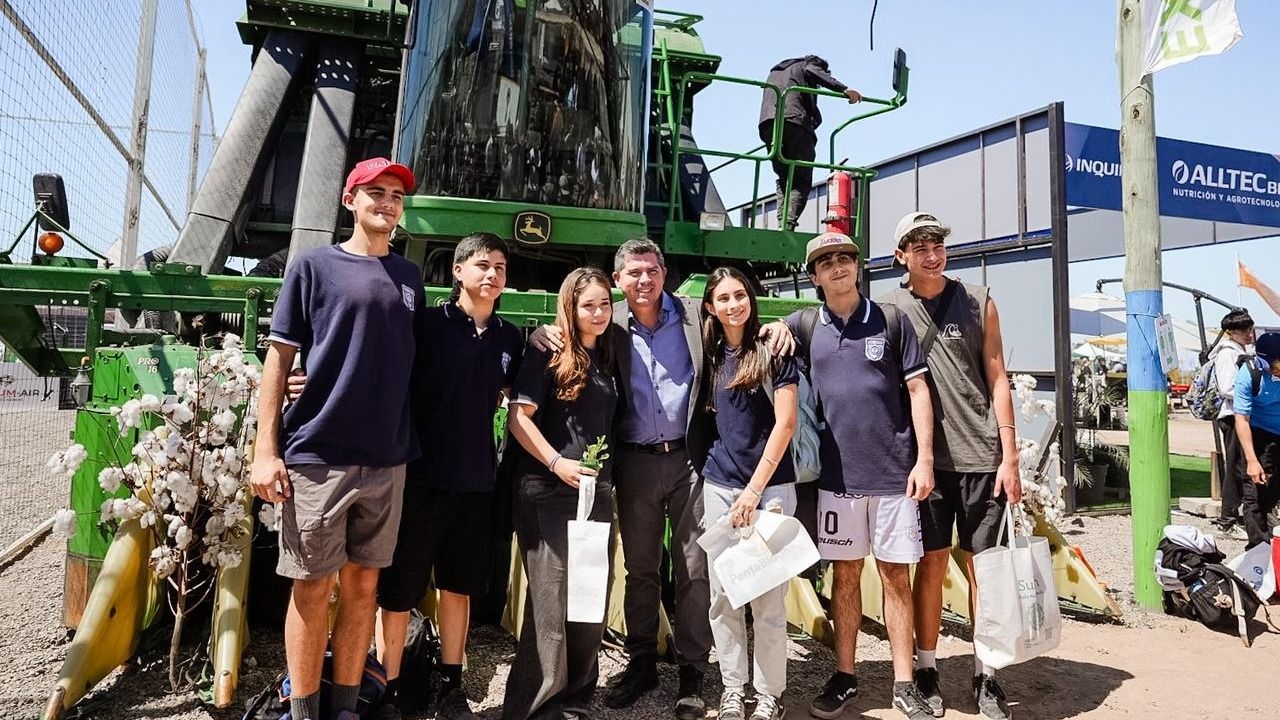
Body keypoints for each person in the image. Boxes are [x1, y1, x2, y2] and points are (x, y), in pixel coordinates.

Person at [531, 240, 791, 719]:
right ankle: (642, 660)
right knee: (641, 567)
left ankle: (694, 668)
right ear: (618, 280)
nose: (644, 280)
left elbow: (743, 320)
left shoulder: (697, 318)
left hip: (691, 461)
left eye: (651, 270)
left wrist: (780, 326)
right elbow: (570, 330)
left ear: (665, 272)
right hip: (633, 462)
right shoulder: (610, 323)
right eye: (633, 273)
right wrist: (541, 332)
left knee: (696, 570)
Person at [250, 157, 422, 720]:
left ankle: (346, 707)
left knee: (364, 586)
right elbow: (278, 362)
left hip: (387, 458)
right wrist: (265, 450)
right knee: (309, 587)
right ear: (349, 200)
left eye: (396, 195)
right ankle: (302, 711)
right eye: (375, 192)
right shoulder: (313, 267)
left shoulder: (410, 278)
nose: (387, 203)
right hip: (318, 456)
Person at [784, 232, 936, 720]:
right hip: (836, 480)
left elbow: (918, 392)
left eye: (845, 258)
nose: (837, 267)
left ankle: (905, 682)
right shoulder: (806, 326)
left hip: (894, 475)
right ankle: (846, 675)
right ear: (814, 277)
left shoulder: (891, 320)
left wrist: (925, 458)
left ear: (857, 266)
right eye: (825, 262)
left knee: (896, 576)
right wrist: (773, 330)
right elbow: (754, 330)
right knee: (845, 577)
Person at [374, 233, 523, 720]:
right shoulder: (428, 325)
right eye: (482, 265)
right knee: (399, 591)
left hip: (476, 483)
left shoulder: (509, 338)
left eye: (500, 267)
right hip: (420, 480)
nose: (492, 275)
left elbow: (523, 389)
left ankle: (450, 686)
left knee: (458, 589)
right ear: (457, 271)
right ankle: (387, 691)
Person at [880, 212, 1022, 720]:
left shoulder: (979, 300)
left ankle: (987, 673)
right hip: (925, 463)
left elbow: (999, 375)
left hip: (983, 455)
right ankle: (926, 667)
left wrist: (1010, 455)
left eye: (937, 243)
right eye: (919, 246)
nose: (931, 253)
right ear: (901, 256)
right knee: (932, 564)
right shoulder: (890, 308)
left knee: (986, 569)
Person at [501, 267, 624, 720]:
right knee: (550, 604)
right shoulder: (546, 351)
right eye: (587, 305)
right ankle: (534, 708)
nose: (597, 313)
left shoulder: (611, 354)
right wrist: (557, 462)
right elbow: (519, 419)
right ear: (569, 307)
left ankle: (576, 698)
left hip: (597, 493)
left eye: (604, 305)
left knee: (590, 596)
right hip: (547, 492)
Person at [699, 267, 799, 720]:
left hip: (769, 490)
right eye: (723, 298)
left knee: (767, 598)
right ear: (710, 307)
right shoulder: (710, 353)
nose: (734, 304)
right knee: (722, 597)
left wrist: (754, 491)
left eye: (740, 295)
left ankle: (769, 694)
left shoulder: (773, 350)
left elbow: (786, 424)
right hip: (720, 486)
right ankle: (733, 689)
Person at [757, 56, 861, 231]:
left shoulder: (777, 72)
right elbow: (812, 71)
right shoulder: (807, 65)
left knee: (785, 176)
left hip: (768, 124)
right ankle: (787, 224)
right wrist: (844, 89)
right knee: (801, 178)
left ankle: (784, 222)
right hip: (794, 122)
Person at [1211, 309, 1255, 537]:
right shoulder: (1227, 354)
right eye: (1244, 330)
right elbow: (1227, 387)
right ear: (1231, 332)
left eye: (1249, 328)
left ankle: (1233, 517)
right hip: (1231, 415)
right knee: (1236, 468)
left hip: (1241, 414)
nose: (1249, 333)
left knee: (1239, 466)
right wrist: (1251, 392)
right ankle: (1227, 520)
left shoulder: (1242, 352)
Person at [1234, 332, 1280, 549]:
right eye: (1277, 364)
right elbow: (1241, 419)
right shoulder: (1249, 374)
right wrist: (1252, 460)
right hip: (1259, 435)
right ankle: (1258, 552)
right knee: (1255, 495)